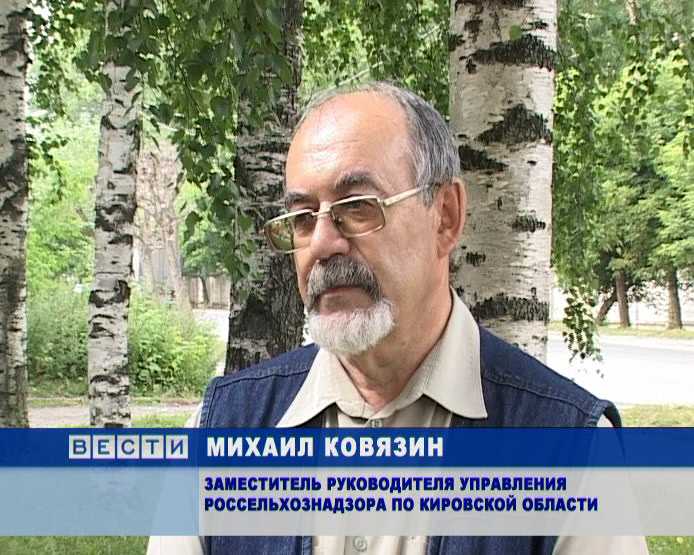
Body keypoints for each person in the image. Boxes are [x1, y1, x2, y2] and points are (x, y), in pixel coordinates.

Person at [148, 82, 647, 554]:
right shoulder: (219, 431)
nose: (321, 243)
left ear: (445, 216)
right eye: (302, 218)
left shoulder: (570, 447)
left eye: (357, 207)